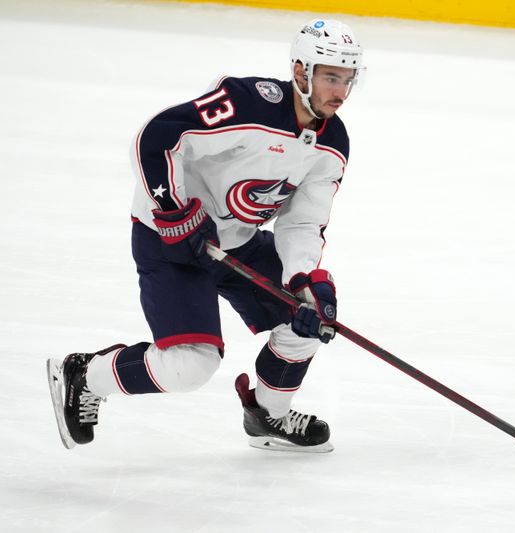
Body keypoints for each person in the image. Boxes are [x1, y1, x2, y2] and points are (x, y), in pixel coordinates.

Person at [46, 18, 364, 453]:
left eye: (347, 79)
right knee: (190, 368)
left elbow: (303, 223)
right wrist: (174, 211)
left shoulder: (334, 143)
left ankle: (268, 414)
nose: (340, 92)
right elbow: (157, 137)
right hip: (171, 241)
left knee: (309, 315)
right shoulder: (249, 104)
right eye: (331, 77)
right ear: (300, 72)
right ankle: (86, 374)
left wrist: (302, 280)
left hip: (235, 243)